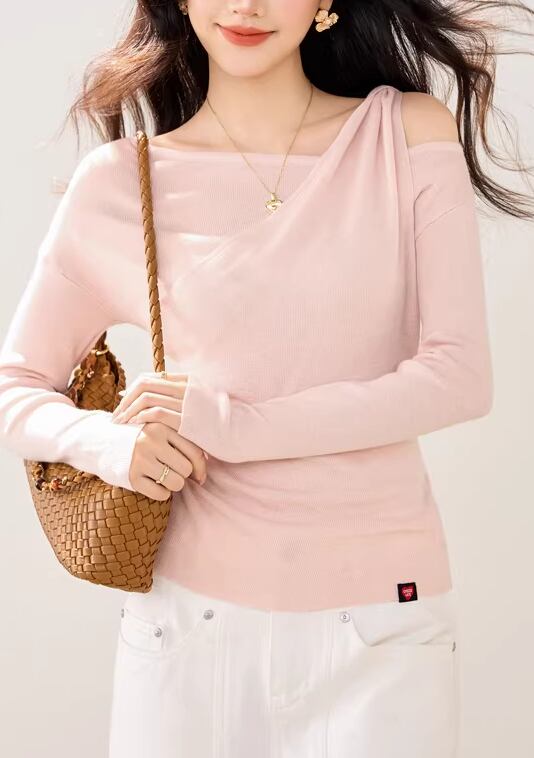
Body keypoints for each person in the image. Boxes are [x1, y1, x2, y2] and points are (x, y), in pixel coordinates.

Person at [1, 1, 533, 757]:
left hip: (381, 625)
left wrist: (234, 425)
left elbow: (458, 376)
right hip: (189, 627)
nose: (246, 5)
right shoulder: (123, 181)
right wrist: (111, 446)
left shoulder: (405, 134)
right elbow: (16, 385)